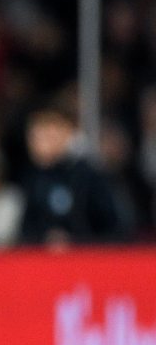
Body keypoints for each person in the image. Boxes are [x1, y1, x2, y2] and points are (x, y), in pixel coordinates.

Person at [17, 105, 127, 246]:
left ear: (67, 133)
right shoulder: (33, 179)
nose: (37, 144)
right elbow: (26, 230)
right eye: (33, 137)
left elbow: (113, 228)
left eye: (46, 136)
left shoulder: (88, 176)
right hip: (44, 262)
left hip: (87, 260)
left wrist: (74, 240)